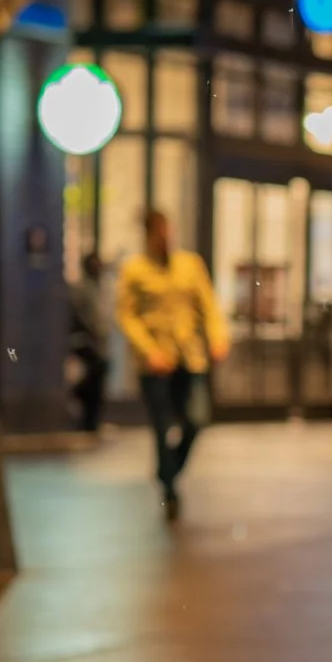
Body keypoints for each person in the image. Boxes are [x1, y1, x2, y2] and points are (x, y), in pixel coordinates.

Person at [115, 206, 227, 519]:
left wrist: (217, 337)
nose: (166, 238)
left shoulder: (190, 264)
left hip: (189, 359)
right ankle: (169, 489)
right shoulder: (134, 270)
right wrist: (148, 350)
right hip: (155, 363)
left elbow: (208, 304)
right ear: (150, 235)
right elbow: (126, 315)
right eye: (160, 232)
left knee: (197, 418)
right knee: (162, 426)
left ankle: (168, 470)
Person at [65, 251, 112, 439]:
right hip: (87, 344)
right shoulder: (81, 289)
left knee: (97, 386)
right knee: (88, 385)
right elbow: (85, 318)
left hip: (99, 345)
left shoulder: (100, 288)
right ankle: (87, 423)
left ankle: (92, 423)